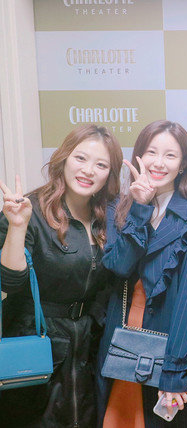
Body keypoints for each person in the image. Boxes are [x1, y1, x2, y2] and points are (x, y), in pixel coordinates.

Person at [0, 125, 122, 427]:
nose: (88, 170)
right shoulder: (29, 211)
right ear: (64, 158)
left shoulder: (108, 217)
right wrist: (17, 227)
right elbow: (9, 282)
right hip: (37, 348)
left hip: (87, 351)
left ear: (110, 174)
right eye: (80, 158)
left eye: (101, 164)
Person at [96, 120, 187, 427]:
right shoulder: (118, 208)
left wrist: (175, 370)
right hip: (121, 339)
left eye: (170, 155)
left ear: (183, 164)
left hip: (170, 344)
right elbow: (118, 266)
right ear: (139, 156)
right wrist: (140, 208)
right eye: (151, 152)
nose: (159, 163)